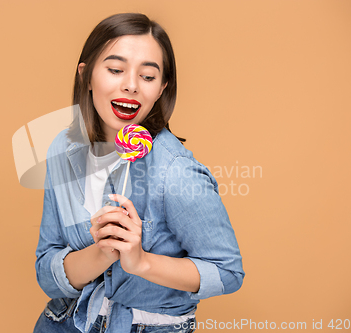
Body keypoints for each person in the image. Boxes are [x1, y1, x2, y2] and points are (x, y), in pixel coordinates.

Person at [33, 12, 244, 333]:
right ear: (86, 76)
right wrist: (102, 252)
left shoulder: (175, 171)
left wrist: (141, 261)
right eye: (115, 70)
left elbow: (228, 273)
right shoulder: (63, 149)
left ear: (161, 89)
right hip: (63, 324)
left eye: (147, 77)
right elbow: (48, 273)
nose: (131, 85)